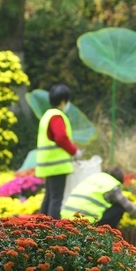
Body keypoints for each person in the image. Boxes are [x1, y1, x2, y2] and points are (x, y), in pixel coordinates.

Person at [35, 84, 82, 219]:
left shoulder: (47, 115)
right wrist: (74, 152)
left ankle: (39, 228)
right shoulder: (57, 116)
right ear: (63, 101)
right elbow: (61, 137)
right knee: (56, 199)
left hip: (48, 164)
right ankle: (53, 233)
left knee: (49, 197)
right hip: (57, 166)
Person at [60, 166, 136, 227]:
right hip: (86, 221)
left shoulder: (95, 177)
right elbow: (128, 207)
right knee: (119, 207)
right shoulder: (112, 184)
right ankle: (106, 235)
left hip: (66, 217)